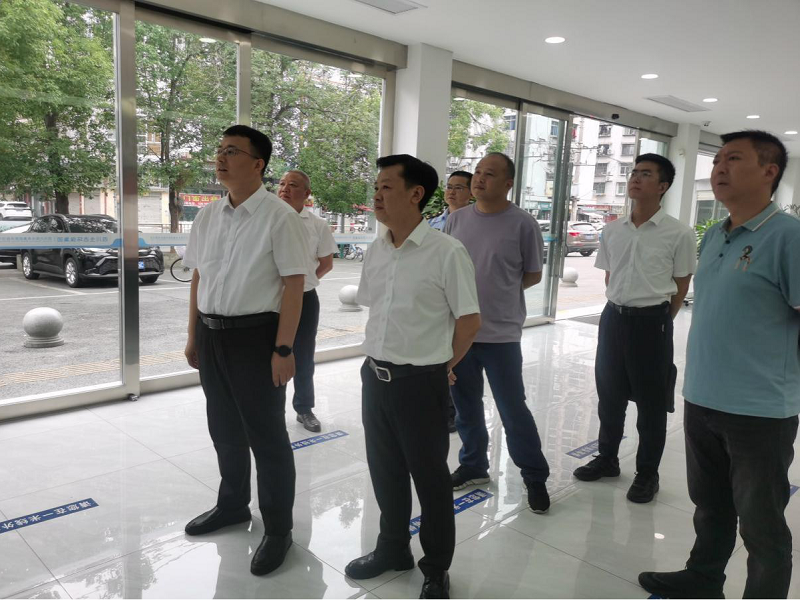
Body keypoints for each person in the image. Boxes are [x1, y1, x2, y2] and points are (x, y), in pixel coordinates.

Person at [639, 131, 800, 599]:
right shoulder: (713, 234)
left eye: (734, 159)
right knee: (710, 505)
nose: (719, 168)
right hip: (703, 397)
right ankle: (703, 578)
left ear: (769, 171)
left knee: (761, 525)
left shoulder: (788, 237)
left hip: (759, 410)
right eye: (717, 160)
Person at [346, 154, 481, 599]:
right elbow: (377, 309)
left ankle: (436, 567)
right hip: (375, 377)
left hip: (421, 383)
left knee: (430, 479)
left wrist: (443, 366)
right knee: (385, 471)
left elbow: (469, 321)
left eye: (386, 186)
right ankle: (392, 549)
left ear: (415, 194)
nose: (376, 195)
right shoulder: (377, 248)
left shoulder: (446, 252)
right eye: (376, 186)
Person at [181, 125, 309, 576]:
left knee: (267, 436)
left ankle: (278, 529)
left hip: (257, 338)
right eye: (219, 150)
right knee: (224, 428)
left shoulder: (280, 217)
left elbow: (294, 285)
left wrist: (284, 347)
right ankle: (233, 504)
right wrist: (194, 334)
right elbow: (198, 277)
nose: (220, 158)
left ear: (257, 164)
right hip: (212, 335)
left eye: (232, 151)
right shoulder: (208, 216)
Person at [572, 154, 695, 503]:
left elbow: (681, 285)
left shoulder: (679, 233)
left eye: (646, 174)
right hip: (613, 318)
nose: (635, 179)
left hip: (652, 322)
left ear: (663, 186)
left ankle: (647, 474)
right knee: (609, 396)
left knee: (652, 404)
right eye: (634, 173)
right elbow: (610, 276)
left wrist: (658, 319)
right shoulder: (613, 230)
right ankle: (607, 459)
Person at [444, 151, 551, 514]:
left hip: (502, 335)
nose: (479, 178)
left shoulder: (523, 223)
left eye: (489, 174)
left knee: (512, 408)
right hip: (460, 334)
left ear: (508, 183)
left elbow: (532, 273)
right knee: (465, 407)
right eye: (477, 172)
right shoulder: (456, 220)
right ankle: (474, 466)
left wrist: (499, 291)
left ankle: (534, 475)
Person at [277, 169, 338, 433]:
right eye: (282, 183)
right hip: (269, 299)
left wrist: (304, 282)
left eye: (292, 185)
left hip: (304, 299)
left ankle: (304, 408)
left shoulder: (317, 225)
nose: (285, 188)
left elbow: (326, 263)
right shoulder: (266, 219)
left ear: (307, 193)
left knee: (303, 356)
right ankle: (272, 410)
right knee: (271, 355)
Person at [429, 170, 473, 432]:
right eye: (449, 186)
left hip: (462, 299)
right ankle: (441, 408)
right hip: (437, 300)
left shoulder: (475, 224)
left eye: (459, 187)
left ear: (471, 193)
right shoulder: (432, 224)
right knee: (439, 353)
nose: (452, 192)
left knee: (459, 356)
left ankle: (455, 411)